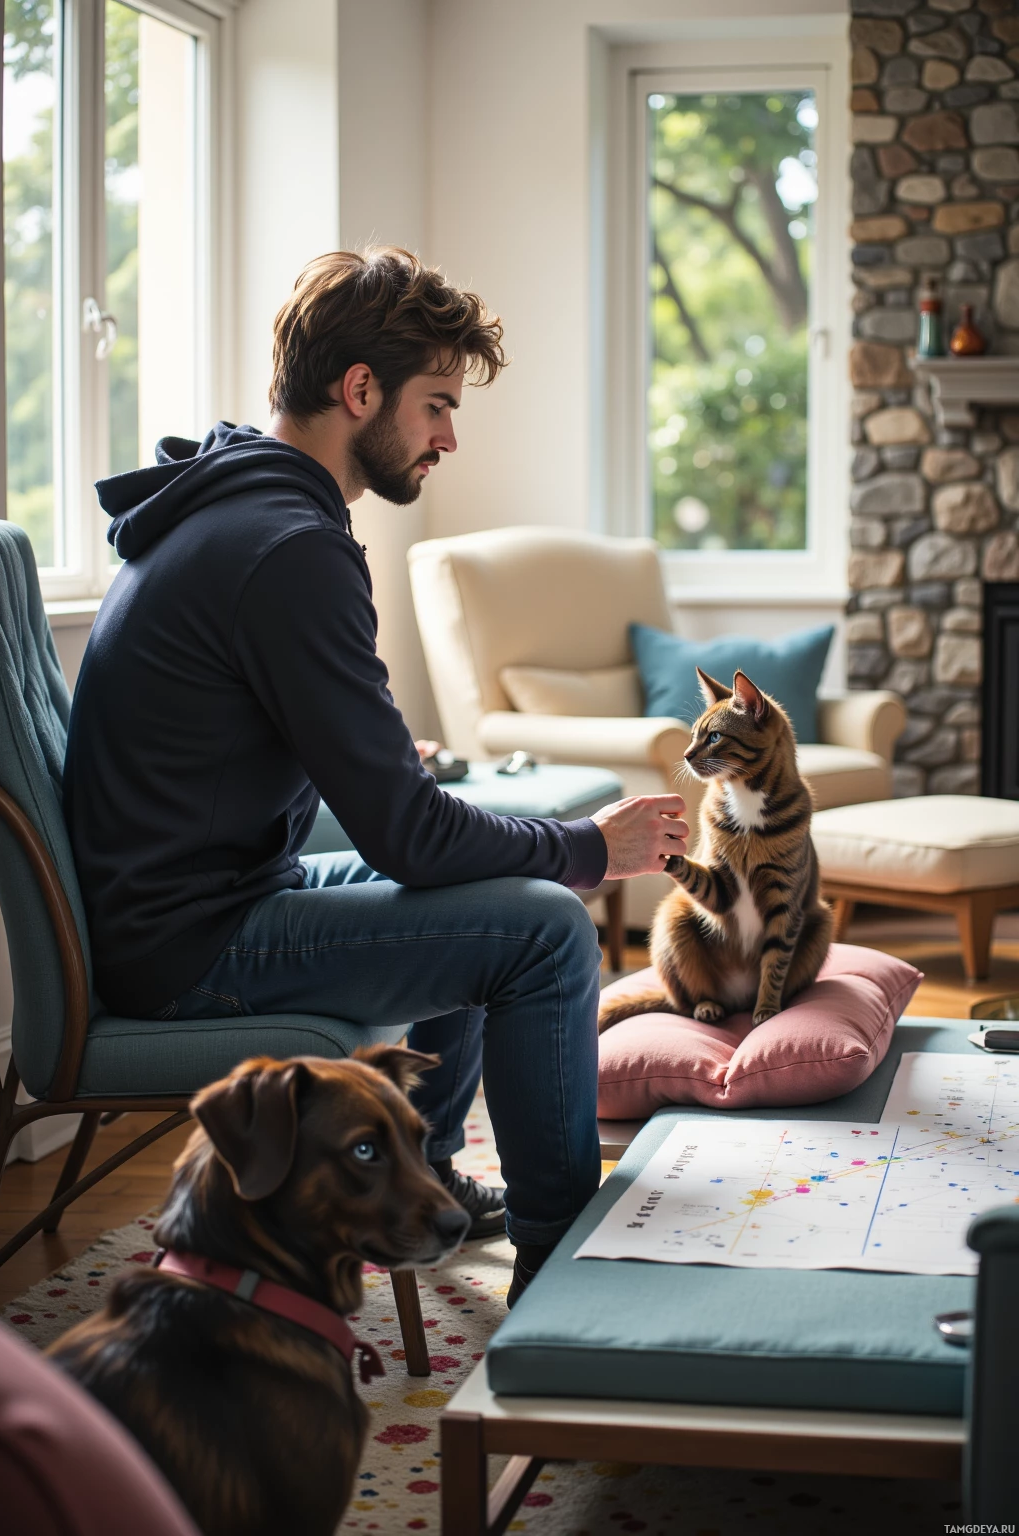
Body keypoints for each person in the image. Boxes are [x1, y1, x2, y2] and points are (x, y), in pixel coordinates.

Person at [64, 247, 687, 1302]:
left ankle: (424, 1180)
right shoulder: (287, 544)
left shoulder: (241, 509)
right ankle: (562, 1263)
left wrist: (393, 758)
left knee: (492, 887)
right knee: (543, 927)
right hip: (190, 945)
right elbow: (406, 837)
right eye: (437, 404)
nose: (449, 436)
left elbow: (318, 759)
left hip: (199, 902)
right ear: (360, 392)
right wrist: (593, 847)